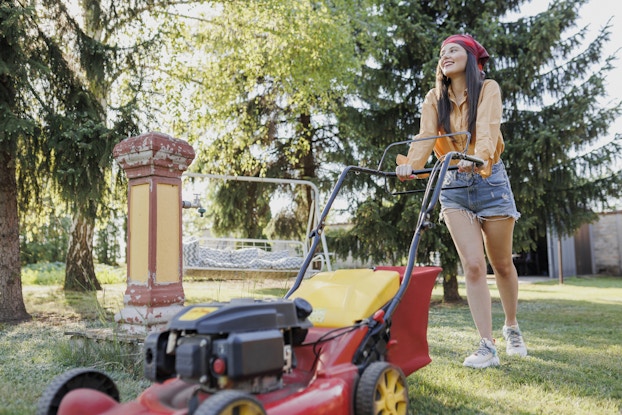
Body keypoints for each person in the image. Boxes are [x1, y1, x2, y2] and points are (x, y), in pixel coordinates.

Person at [395, 34, 527, 368]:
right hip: (452, 182)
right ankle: (487, 345)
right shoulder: (433, 98)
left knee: (501, 264)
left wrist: (479, 157)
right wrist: (412, 164)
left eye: (453, 50)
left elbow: (487, 129)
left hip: (489, 179)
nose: (445, 56)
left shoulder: (488, 88)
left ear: (470, 56)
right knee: (473, 265)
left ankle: (511, 325)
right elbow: (427, 136)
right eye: (442, 53)